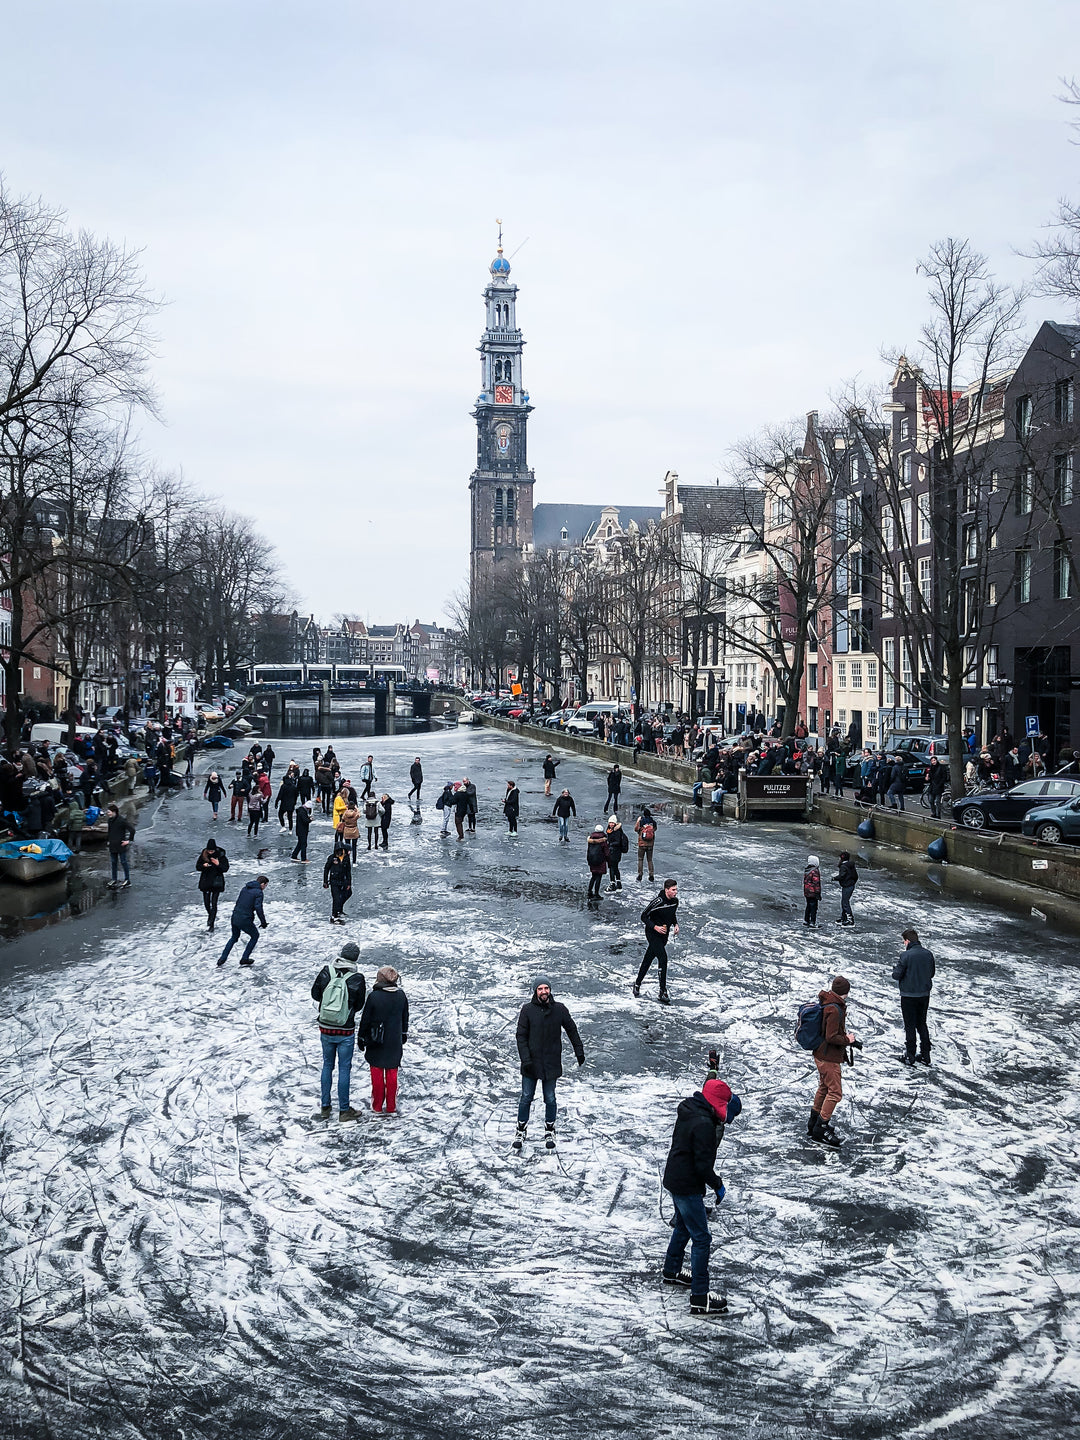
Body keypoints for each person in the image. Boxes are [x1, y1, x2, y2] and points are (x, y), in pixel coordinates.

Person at [661, 1076, 740, 1316]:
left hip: (675, 1178)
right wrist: (717, 1184)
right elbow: (702, 1166)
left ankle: (672, 1271)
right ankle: (700, 1297)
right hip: (687, 1185)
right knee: (702, 1238)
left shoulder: (690, 1109)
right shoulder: (704, 1124)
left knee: (684, 1226)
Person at [513, 977, 584, 1151]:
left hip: (551, 1063)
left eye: (546, 988)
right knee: (526, 1097)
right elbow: (521, 1037)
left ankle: (549, 1129)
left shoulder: (559, 1009)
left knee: (550, 1098)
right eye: (540, 989)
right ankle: (521, 1129)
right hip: (531, 1064)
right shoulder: (527, 1010)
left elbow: (571, 1029)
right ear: (535, 991)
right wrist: (526, 1059)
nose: (544, 992)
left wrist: (579, 1050)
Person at [310, 941, 367, 1122]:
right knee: (344, 1069)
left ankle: (325, 1107)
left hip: (325, 1027)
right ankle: (344, 1110)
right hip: (345, 1031)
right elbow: (359, 1006)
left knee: (327, 1065)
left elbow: (315, 994)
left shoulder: (327, 971)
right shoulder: (357, 978)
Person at [809, 974, 856, 1147]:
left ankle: (813, 1123)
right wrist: (847, 1040)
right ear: (845, 992)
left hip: (821, 1054)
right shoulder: (835, 1009)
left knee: (824, 1087)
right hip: (828, 1057)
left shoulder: (828, 1002)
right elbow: (831, 1036)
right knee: (835, 1093)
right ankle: (820, 1128)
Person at [358, 965, 409, 1114]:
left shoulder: (374, 997)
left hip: (376, 1039)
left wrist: (361, 1037)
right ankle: (391, 1106)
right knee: (392, 1072)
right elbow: (405, 1017)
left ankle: (377, 1105)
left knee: (377, 1072)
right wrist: (403, 1033)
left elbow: (365, 1019)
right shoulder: (401, 995)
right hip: (394, 1040)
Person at [893, 928, 935, 1066]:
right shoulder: (928, 954)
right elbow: (932, 973)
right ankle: (925, 1054)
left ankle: (910, 1055)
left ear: (908, 941)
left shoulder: (905, 956)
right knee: (922, 1023)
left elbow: (897, 975)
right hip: (924, 995)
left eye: (904, 941)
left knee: (910, 1025)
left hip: (908, 996)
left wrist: (896, 970)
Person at [634, 879, 678, 1003]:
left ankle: (637, 983)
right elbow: (643, 916)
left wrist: (675, 924)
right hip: (652, 933)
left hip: (664, 934)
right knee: (663, 958)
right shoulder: (658, 901)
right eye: (673, 890)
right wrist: (655, 927)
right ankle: (662, 991)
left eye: (676, 889)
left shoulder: (675, 902)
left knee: (648, 958)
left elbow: (672, 914)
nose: (676, 892)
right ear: (666, 890)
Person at [217, 875, 269, 966]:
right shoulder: (258, 892)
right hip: (245, 919)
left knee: (234, 937)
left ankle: (222, 959)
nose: (265, 888)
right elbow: (258, 908)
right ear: (262, 884)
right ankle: (245, 958)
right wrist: (263, 922)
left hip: (235, 916)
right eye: (266, 885)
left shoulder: (245, 888)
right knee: (255, 936)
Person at [196, 838, 230, 931]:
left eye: (212, 850)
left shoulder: (221, 856)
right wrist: (204, 866)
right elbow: (197, 867)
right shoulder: (203, 855)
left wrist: (218, 864)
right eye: (209, 851)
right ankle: (210, 916)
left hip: (216, 883)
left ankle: (212, 924)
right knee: (207, 903)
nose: (210, 852)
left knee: (214, 903)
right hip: (206, 882)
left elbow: (225, 868)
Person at [105, 803, 135, 888]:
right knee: (114, 862)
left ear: (114, 812)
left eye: (109, 812)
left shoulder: (121, 820)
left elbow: (132, 830)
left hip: (120, 845)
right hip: (112, 845)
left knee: (123, 862)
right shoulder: (110, 820)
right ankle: (114, 879)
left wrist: (128, 841)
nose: (108, 813)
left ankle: (127, 880)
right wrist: (108, 840)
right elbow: (110, 831)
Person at [323, 843, 353, 924]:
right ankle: (334, 916)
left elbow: (348, 871)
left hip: (343, 881)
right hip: (334, 881)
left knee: (347, 894)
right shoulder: (332, 858)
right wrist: (325, 881)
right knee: (336, 898)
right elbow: (326, 869)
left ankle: (339, 909)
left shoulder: (346, 858)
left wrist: (349, 883)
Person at [835, 852, 858, 926]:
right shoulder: (850, 865)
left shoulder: (843, 867)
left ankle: (850, 919)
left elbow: (842, 876)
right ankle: (844, 918)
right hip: (850, 885)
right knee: (844, 902)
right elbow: (856, 876)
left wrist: (834, 878)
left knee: (845, 903)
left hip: (847, 886)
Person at [586, 825, 610, 899]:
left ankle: (589, 891)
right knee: (599, 877)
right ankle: (596, 894)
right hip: (600, 861)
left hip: (592, 860)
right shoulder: (603, 840)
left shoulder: (591, 839)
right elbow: (606, 852)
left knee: (593, 876)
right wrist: (608, 860)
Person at [605, 814, 628, 890]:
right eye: (610, 822)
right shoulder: (610, 830)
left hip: (614, 852)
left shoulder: (616, 831)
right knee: (615, 867)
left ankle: (612, 883)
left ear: (615, 823)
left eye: (612, 823)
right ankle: (618, 883)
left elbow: (617, 842)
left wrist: (609, 844)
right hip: (614, 852)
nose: (611, 824)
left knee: (612, 867)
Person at [634, 806, 657, 882]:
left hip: (642, 844)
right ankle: (651, 874)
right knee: (649, 860)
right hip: (650, 844)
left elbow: (636, 829)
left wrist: (638, 821)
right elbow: (654, 830)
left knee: (640, 859)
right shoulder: (652, 822)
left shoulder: (641, 821)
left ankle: (640, 874)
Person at [338, 796, 362, 860]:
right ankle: (354, 861)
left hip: (347, 830)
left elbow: (342, 819)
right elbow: (360, 814)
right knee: (354, 847)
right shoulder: (355, 814)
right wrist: (357, 809)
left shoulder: (345, 813)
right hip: (354, 830)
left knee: (347, 846)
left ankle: (347, 859)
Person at [803, 854, 821, 926]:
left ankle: (806, 920)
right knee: (814, 907)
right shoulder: (815, 871)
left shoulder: (807, 870)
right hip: (813, 892)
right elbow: (816, 883)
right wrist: (818, 893)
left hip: (807, 892)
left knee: (808, 906)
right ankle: (812, 922)